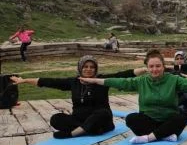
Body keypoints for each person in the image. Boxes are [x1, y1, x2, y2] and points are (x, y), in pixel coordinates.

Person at [80, 49, 187, 144]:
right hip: (149, 121)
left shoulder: (174, 79)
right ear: (147, 68)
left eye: (158, 66)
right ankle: (164, 134)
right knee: (131, 119)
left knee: (182, 116)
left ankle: (150, 137)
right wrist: (95, 80)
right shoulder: (141, 81)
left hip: (169, 119)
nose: (155, 69)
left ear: (163, 66)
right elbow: (120, 82)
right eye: (151, 66)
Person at [11, 56, 142, 138]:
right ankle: (88, 130)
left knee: (102, 113)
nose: (89, 69)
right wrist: (25, 80)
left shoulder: (102, 80)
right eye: (85, 67)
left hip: (101, 120)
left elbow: (124, 74)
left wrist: (146, 69)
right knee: (56, 119)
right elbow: (48, 81)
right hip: (80, 120)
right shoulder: (73, 82)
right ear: (80, 68)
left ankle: (73, 133)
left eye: (92, 67)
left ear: (96, 69)